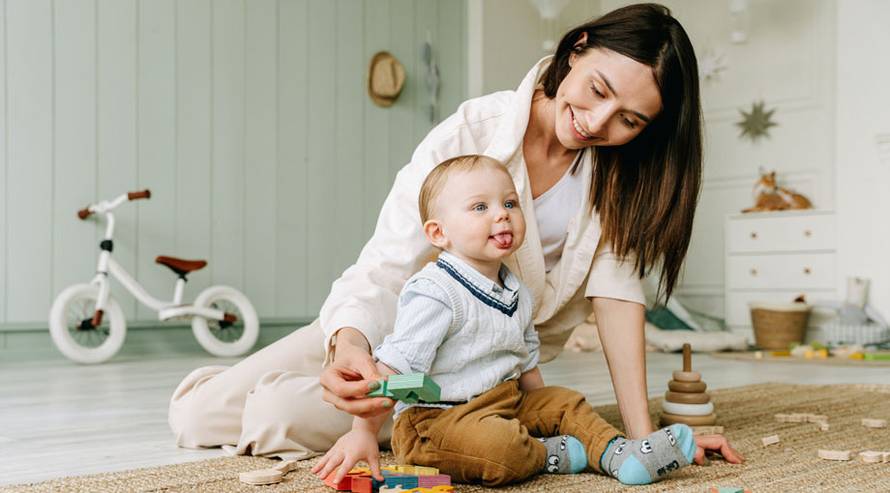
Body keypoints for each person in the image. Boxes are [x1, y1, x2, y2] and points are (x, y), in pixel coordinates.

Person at [168, 3, 742, 467]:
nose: (597, 121)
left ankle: (439, 418)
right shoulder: (473, 131)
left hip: (476, 373)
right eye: (597, 89)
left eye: (629, 120)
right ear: (577, 48)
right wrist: (349, 345)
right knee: (194, 416)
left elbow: (617, 299)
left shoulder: (622, 181)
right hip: (393, 324)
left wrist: (642, 439)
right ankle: (285, 380)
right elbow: (385, 265)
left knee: (275, 414)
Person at [311, 154, 699, 487]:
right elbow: (394, 370)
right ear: (439, 233)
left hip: (503, 401)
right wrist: (362, 432)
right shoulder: (435, 292)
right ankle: (547, 454)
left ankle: (621, 454)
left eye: (510, 203)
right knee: (501, 447)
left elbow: (525, 361)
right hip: (436, 423)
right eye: (480, 207)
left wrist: (545, 413)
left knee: (567, 402)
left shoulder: (516, 289)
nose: (502, 214)